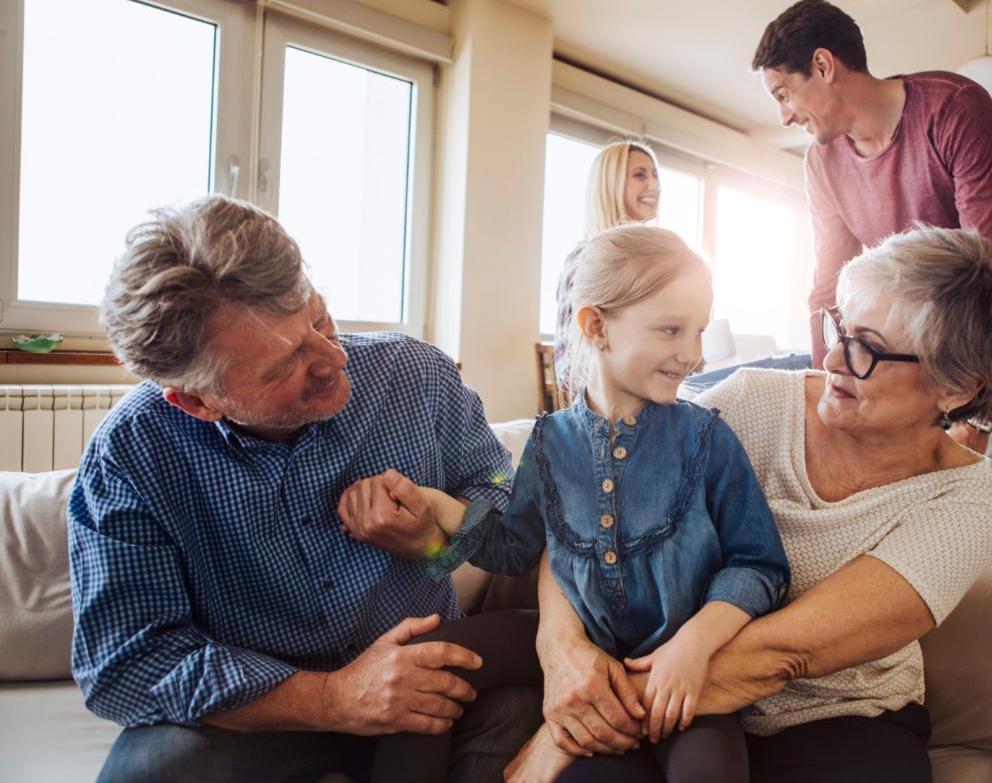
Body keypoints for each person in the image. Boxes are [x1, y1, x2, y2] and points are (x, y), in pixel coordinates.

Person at [513, 226, 992, 783]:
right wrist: (560, 645)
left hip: (836, 723)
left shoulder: (968, 507)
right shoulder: (751, 403)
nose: (836, 358)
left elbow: (783, 652)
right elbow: (592, 510)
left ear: (957, 387)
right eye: (840, 327)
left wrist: (567, 729)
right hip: (663, 690)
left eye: (867, 346)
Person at [68, 194, 541, 782]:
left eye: (318, 318)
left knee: (526, 711)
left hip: (434, 689)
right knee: (152, 772)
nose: (333, 357)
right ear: (198, 401)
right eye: (284, 364)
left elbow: (510, 505)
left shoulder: (415, 377)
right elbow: (127, 662)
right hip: (270, 716)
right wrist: (336, 698)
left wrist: (438, 537)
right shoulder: (132, 455)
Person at [383, 224, 790, 782]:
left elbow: (759, 564)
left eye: (697, 332)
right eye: (671, 330)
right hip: (574, 644)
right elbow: (512, 545)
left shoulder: (706, 439)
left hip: (678, 666)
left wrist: (694, 647)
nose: (691, 355)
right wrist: (435, 507)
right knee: (423, 661)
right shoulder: (550, 442)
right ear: (596, 326)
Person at [752, 0, 992, 486]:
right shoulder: (821, 163)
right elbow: (827, 288)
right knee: (913, 481)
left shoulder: (954, 108)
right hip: (915, 337)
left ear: (823, 65)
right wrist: (823, 394)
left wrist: (979, 417)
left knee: (987, 481)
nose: (784, 117)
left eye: (784, 94)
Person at [554, 140, 661, 392]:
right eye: (639, 175)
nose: (655, 186)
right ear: (610, 185)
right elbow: (569, 368)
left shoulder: (656, 262)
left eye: (656, 175)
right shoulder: (584, 259)